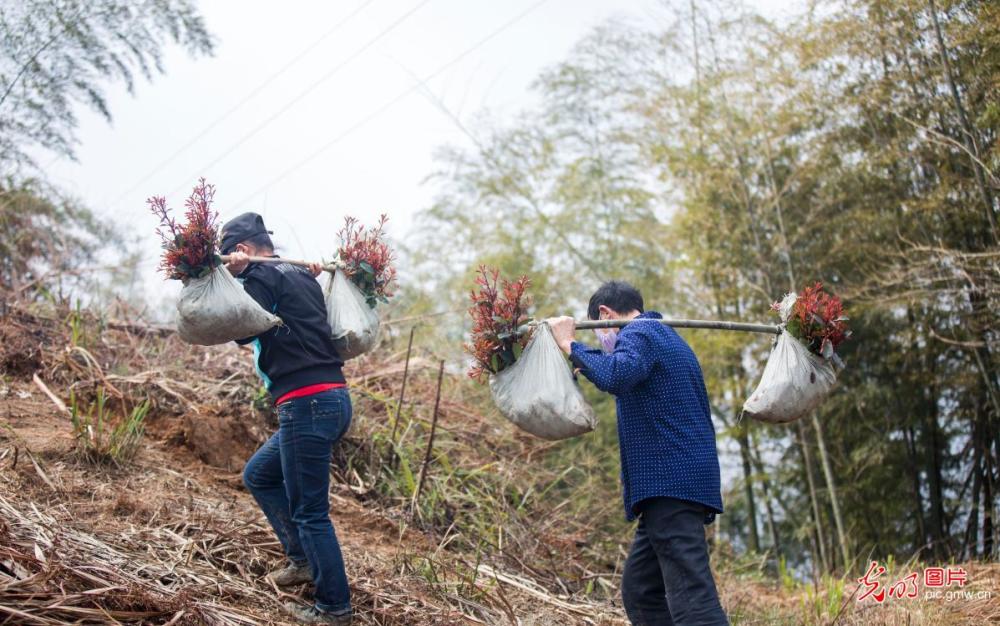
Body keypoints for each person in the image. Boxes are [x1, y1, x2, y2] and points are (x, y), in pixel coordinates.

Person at [547, 281, 729, 626]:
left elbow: (616, 373)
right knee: (642, 591)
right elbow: (620, 369)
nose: (605, 341)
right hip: (672, 487)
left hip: (671, 484)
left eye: (600, 331)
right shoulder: (664, 337)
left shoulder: (640, 334)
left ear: (605, 314)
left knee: (693, 600)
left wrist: (569, 343)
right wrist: (588, 361)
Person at [221, 212, 353, 625]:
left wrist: (240, 279)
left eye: (230, 253)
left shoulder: (263, 277)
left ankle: (333, 608)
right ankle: (300, 560)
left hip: (306, 402)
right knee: (259, 474)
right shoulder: (300, 276)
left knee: (311, 512)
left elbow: (243, 330)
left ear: (242, 250)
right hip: (332, 398)